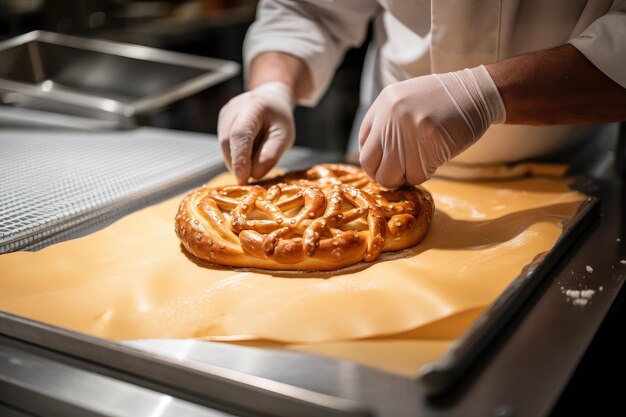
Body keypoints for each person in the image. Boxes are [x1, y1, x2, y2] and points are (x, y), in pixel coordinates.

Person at [218, 0, 626, 188]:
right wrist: (273, 85)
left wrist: (486, 94)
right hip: (378, 170)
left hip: (561, 176)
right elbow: (308, 9)